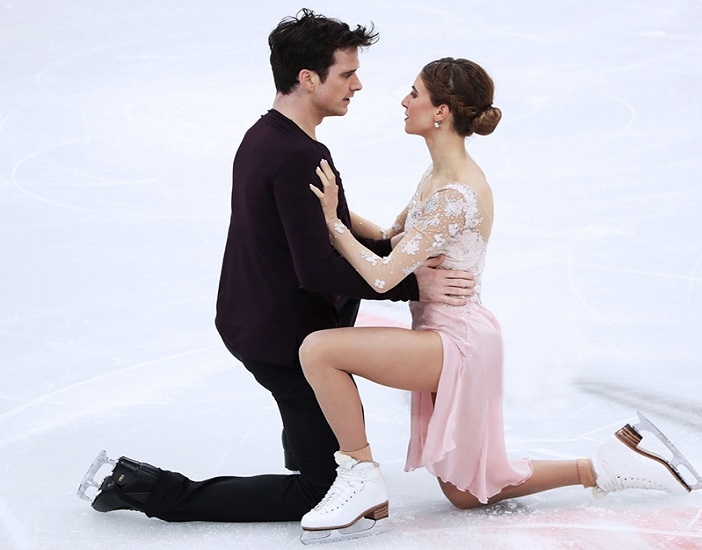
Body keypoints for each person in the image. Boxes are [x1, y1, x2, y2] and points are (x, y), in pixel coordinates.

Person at [77, 10, 475, 523]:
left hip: (259, 316)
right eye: (347, 74)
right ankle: (148, 491)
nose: (357, 85)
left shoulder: (267, 136)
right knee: (319, 489)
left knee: (320, 432)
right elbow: (318, 270)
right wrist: (412, 286)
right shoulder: (296, 156)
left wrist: (382, 241)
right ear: (308, 78)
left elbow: (320, 223)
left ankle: (308, 444)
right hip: (282, 337)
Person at [297, 57, 702, 534]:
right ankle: (605, 466)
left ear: (441, 111)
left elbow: (384, 276)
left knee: (319, 350)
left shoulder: (456, 195)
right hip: (448, 333)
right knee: (466, 493)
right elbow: (391, 237)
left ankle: (359, 474)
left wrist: (331, 223)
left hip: (457, 342)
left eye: (414, 93)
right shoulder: (436, 177)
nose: (404, 102)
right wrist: (331, 207)